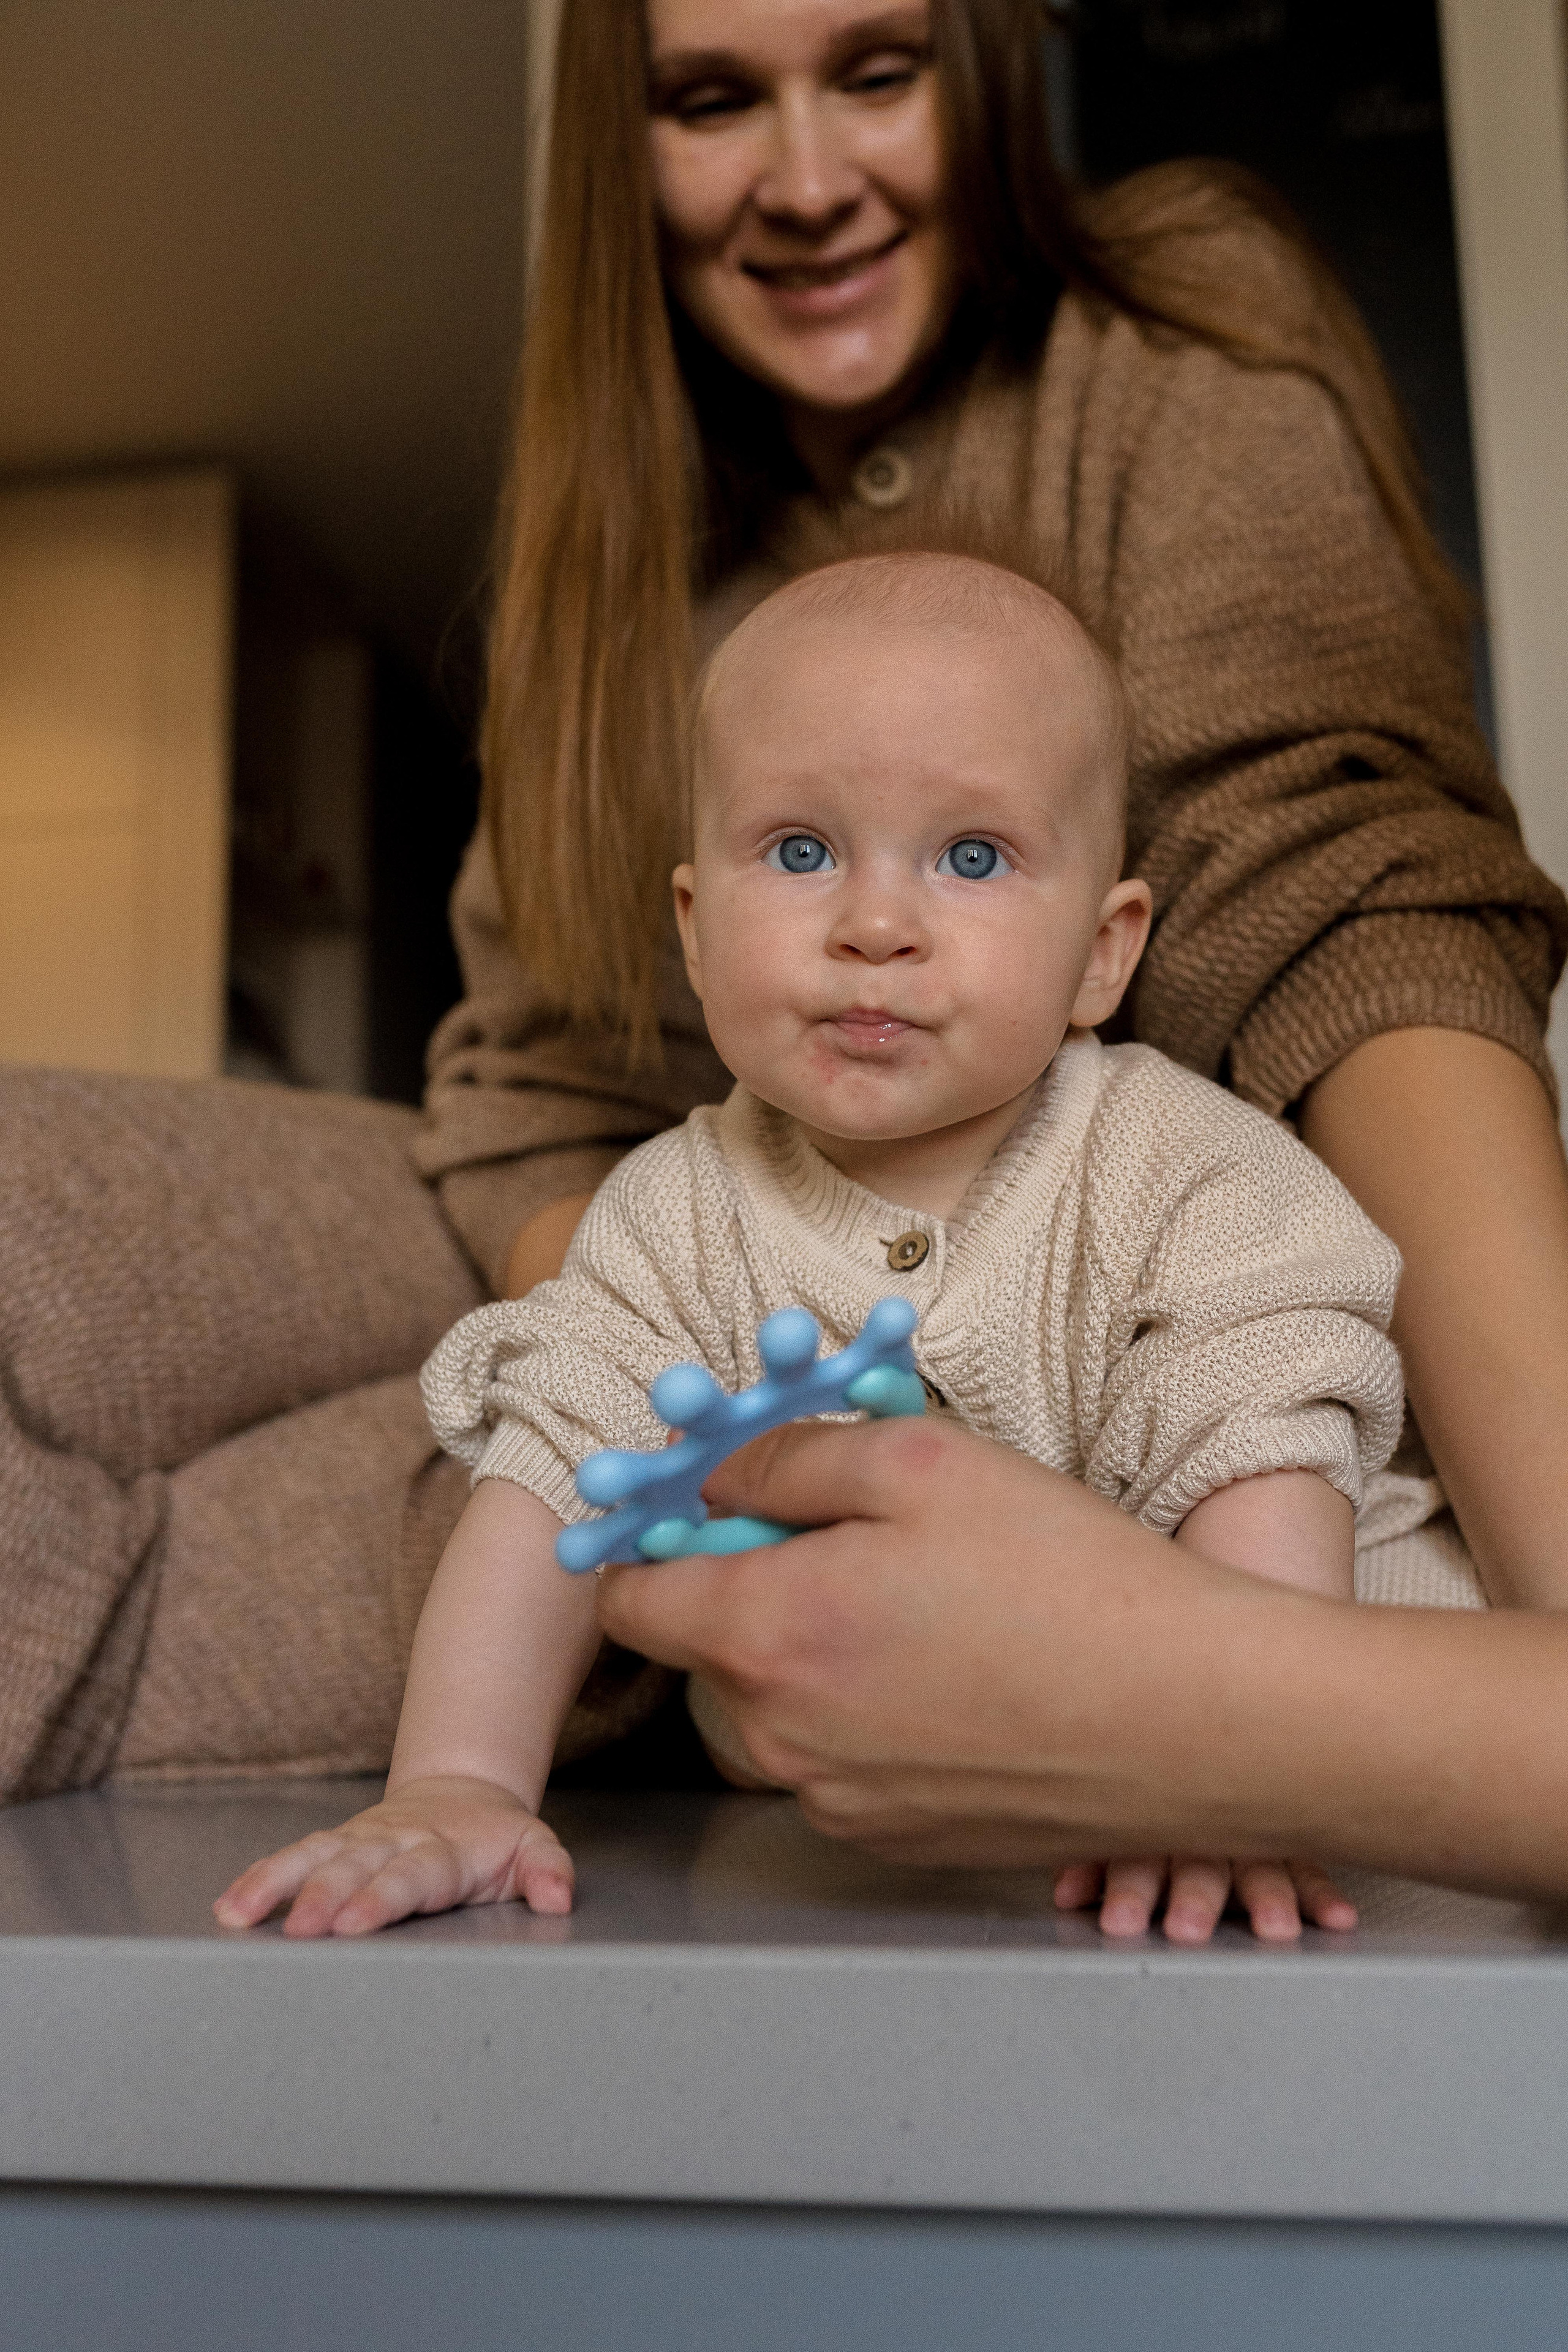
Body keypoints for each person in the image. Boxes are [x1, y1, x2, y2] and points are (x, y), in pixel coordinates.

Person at [4, 0, 1567, 1820]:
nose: (809, 181)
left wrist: (1530, 1651)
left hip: (1085, 1328)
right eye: (714, 98)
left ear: (977, 75)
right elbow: (525, 1090)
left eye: (879, 72)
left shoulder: (1171, 332)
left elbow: (1346, 909)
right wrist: (714, 1385)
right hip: (670, 1251)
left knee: (182, 1586)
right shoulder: (599, 520)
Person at [217, 548, 1423, 1945]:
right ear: (692, 926)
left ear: (1104, 952)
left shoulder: (1190, 1171)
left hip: (1336, 1730)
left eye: (971, 858)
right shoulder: (671, 1215)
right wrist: (453, 1785)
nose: (872, 927)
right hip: (913, 1846)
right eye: (800, 851)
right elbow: (552, 1484)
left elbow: (1262, 1450)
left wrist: (1243, 1769)